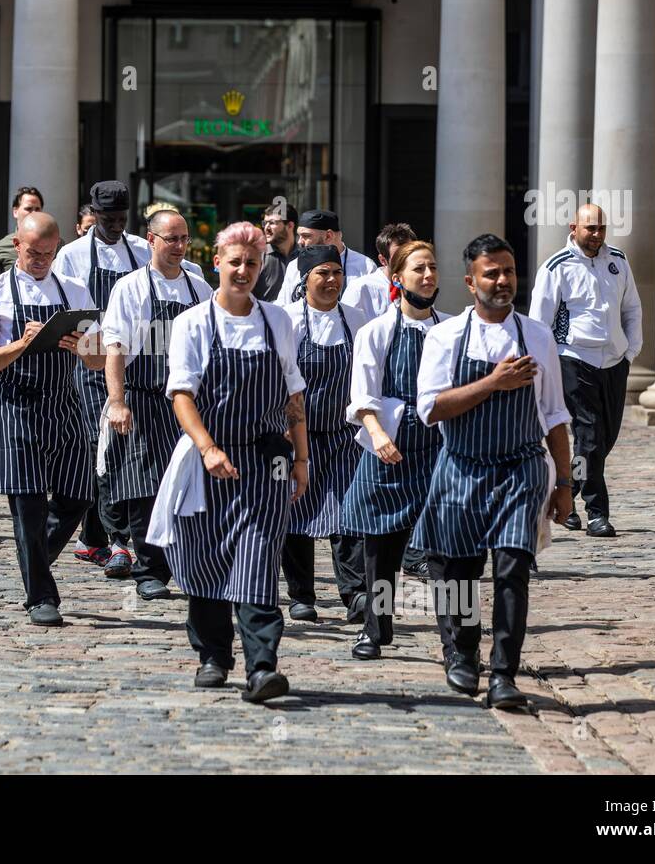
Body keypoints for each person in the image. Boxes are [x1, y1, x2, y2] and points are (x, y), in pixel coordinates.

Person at [149, 222, 309, 703]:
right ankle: (214, 656)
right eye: (234, 261)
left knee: (259, 560)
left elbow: (293, 394)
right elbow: (181, 394)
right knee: (206, 561)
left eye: (252, 263)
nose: (243, 271)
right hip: (208, 460)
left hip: (264, 461)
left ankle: (263, 667)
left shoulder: (277, 321)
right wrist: (207, 447)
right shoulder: (193, 323)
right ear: (216, 260)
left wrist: (301, 457)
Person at [411, 234, 574, 709]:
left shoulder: (537, 336)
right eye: (492, 273)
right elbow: (432, 409)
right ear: (470, 282)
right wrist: (493, 382)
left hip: (520, 467)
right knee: (456, 571)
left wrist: (564, 485)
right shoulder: (443, 337)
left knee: (512, 568)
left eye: (509, 271)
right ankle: (460, 656)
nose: (503, 281)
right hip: (461, 465)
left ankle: (504, 673)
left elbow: (555, 415)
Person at [0, 212, 105, 626]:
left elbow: (98, 360)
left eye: (48, 252)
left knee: (80, 495)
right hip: (14, 406)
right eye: (32, 252)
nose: (41, 259)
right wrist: (19, 345)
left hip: (64, 405)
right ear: (16, 246)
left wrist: (81, 348)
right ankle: (41, 597)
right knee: (28, 506)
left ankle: (34, 555)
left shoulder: (75, 290)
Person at [342, 240, 445, 660]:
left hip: (437, 449)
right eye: (419, 268)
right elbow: (362, 395)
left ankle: (456, 640)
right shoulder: (377, 331)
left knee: (445, 551)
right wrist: (378, 433)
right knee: (379, 550)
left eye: (433, 268)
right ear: (397, 277)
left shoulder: (451, 328)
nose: (428, 275)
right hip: (389, 450)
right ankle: (375, 630)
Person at [102, 209, 213, 599]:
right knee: (145, 487)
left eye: (184, 239)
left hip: (189, 402)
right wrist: (117, 401)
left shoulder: (199, 289)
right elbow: (114, 348)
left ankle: (184, 564)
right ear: (151, 240)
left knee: (188, 486)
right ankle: (149, 571)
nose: (180, 246)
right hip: (146, 398)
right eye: (172, 239)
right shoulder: (130, 288)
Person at [54, 180, 154, 577]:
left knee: (128, 452)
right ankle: (118, 542)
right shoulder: (73, 256)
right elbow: (61, 307)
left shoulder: (143, 251)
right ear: (92, 215)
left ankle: (91, 538)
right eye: (107, 218)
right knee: (107, 449)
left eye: (121, 218)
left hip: (138, 365)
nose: (115, 225)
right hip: (91, 365)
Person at [529, 203, 642, 537]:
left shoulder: (617, 261)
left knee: (604, 438)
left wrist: (631, 351)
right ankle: (597, 512)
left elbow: (632, 307)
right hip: (574, 359)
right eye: (590, 228)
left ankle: (568, 492)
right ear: (573, 228)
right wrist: (546, 368)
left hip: (614, 362)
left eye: (601, 228)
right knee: (590, 435)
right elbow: (539, 322)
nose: (596, 235)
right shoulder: (555, 267)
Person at [280, 245, 369, 623]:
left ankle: (356, 593)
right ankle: (301, 595)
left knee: (348, 515)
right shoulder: (287, 321)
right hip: (297, 435)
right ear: (305, 280)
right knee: (295, 514)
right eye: (323, 274)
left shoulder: (358, 319)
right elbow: (277, 379)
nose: (332, 280)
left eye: (337, 272)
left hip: (344, 435)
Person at [274, 209, 374, 305]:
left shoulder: (364, 266)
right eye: (299, 236)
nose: (299, 241)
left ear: (328, 236)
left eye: (306, 236)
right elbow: (284, 305)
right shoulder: (295, 265)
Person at [343, 222, 418, 321]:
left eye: (410, 253)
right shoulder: (360, 288)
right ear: (382, 260)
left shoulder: (420, 285)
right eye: (398, 256)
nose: (406, 259)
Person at [0, 186, 44, 281]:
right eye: (28, 209)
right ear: (15, 212)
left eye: (37, 209)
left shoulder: (56, 245)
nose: (33, 213)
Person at [254, 201, 298, 302]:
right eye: (265, 223)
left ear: (290, 226)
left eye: (272, 223)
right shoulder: (258, 256)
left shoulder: (305, 256)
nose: (266, 228)